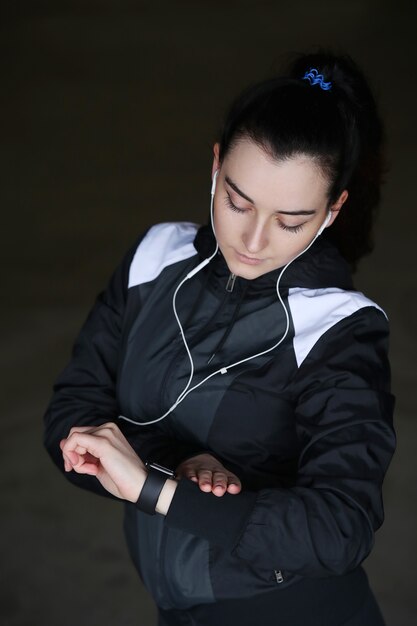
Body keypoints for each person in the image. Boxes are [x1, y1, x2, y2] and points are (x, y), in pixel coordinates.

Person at [44, 51, 396, 626]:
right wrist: (177, 466)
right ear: (215, 166)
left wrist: (155, 490)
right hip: (174, 611)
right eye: (238, 201)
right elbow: (71, 414)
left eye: (290, 220)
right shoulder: (153, 259)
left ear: (332, 212)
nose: (255, 240)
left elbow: (340, 528)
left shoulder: (340, 329)